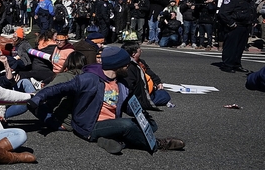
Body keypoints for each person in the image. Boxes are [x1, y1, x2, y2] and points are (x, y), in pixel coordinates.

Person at [27, 46, 185, 154]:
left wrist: (141, 114)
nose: (129, 68)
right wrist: (39, 97)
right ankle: (157, 144)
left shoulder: (122, 83)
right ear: (118, 65)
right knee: (127, 125)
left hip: (111, 121)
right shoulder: (89, 79)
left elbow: (128, 106)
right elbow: (59, 87)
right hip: (89, 125)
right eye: (126, 65)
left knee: (151, 124)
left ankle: (115, 140)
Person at [217, 0, 257, 73]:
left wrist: (253, 20)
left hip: (245, 25)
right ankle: (227, 64)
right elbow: (223, 13)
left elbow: (252, 11)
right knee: (231, 46)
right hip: (235, 25)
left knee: (240, 47)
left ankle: (236, 64)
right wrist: (231, 23)